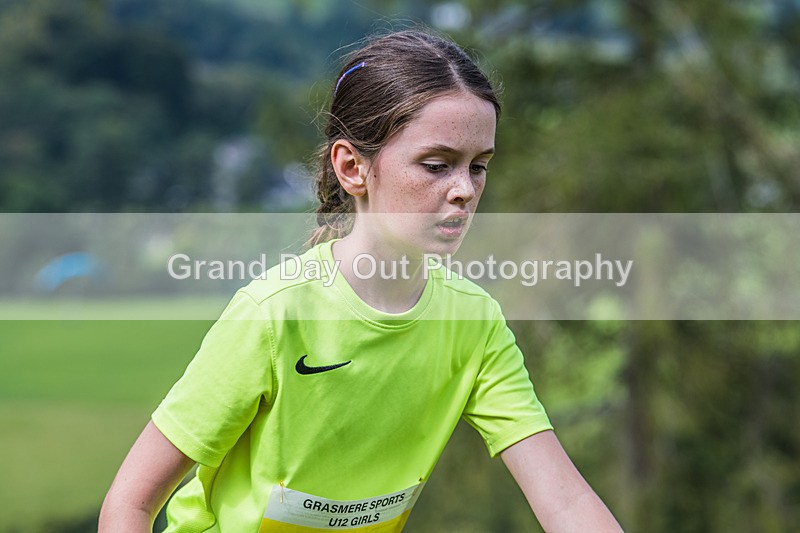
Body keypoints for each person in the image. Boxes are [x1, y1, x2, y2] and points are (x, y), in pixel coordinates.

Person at [99, 28, 623, 532]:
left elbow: (568, 502)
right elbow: (130, 503)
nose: (464, 189)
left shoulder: (475, 322)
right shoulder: (273, 314)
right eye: (437, 164)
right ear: (352, 168)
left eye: (478, 166)